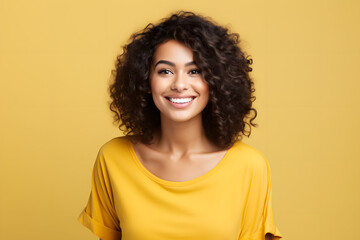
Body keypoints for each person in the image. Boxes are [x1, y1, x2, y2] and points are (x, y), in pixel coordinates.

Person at [78, 11, 282, 240]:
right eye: (165, 71)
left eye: (195, 71)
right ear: (146, 81)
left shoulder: (250, 167)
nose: (180, 84)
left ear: (215, 82)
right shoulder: (113, 158)